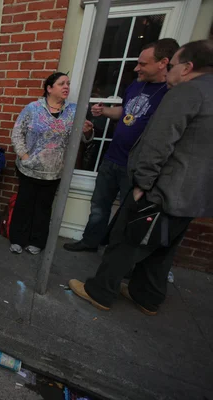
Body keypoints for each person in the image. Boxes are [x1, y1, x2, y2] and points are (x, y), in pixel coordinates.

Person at [68, 39, 213, 315]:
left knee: (125, 241)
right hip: (194, 198)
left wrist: (142, 184)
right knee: (162, 250)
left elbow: (158, 144)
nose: (170, 70)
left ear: (187, 68)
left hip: (163, 190)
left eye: (172, 65)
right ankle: (147, 296)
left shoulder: (186, 92)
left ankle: (100, 291)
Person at [64, 39, 179, 253]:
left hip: (136, 166)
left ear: (163, 62)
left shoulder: (171, 93)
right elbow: (126, 112)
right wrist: (105, 111)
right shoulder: (136, 84)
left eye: (143, 64)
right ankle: (90, 242)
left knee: (130, 213)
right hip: (112, 158)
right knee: (99, 205)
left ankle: (117, 255)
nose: (137, 68)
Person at [9, 72, 94, 255]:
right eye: (61, 83)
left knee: (43, 208)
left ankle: (37, 241)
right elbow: (17, 133)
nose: (66, 87)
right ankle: (17, 239)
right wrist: (24, 156)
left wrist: (87, 132)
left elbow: (83, 140)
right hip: (29, 168)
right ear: (49, 88)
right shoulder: (33, 108)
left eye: (68, 84)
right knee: (24, 205)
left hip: (54, 171)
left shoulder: (73, 111)